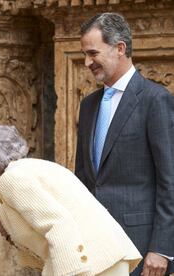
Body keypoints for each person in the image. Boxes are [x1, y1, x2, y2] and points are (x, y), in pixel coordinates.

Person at [0, 121, 142, 276]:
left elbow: (58, 224)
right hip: (99, 260)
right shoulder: (11, 182)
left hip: (93, 263)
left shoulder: (13, 178)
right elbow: (36, 238)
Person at [76, 12, 174, 276]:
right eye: (85, 54)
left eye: (93, 53)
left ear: (120, 48)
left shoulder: (155, 100)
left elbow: (170, 180)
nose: (87, 62)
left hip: (141, 251)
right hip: (94, 248)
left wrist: (162, 248)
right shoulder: (88, 106)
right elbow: (84, 179)